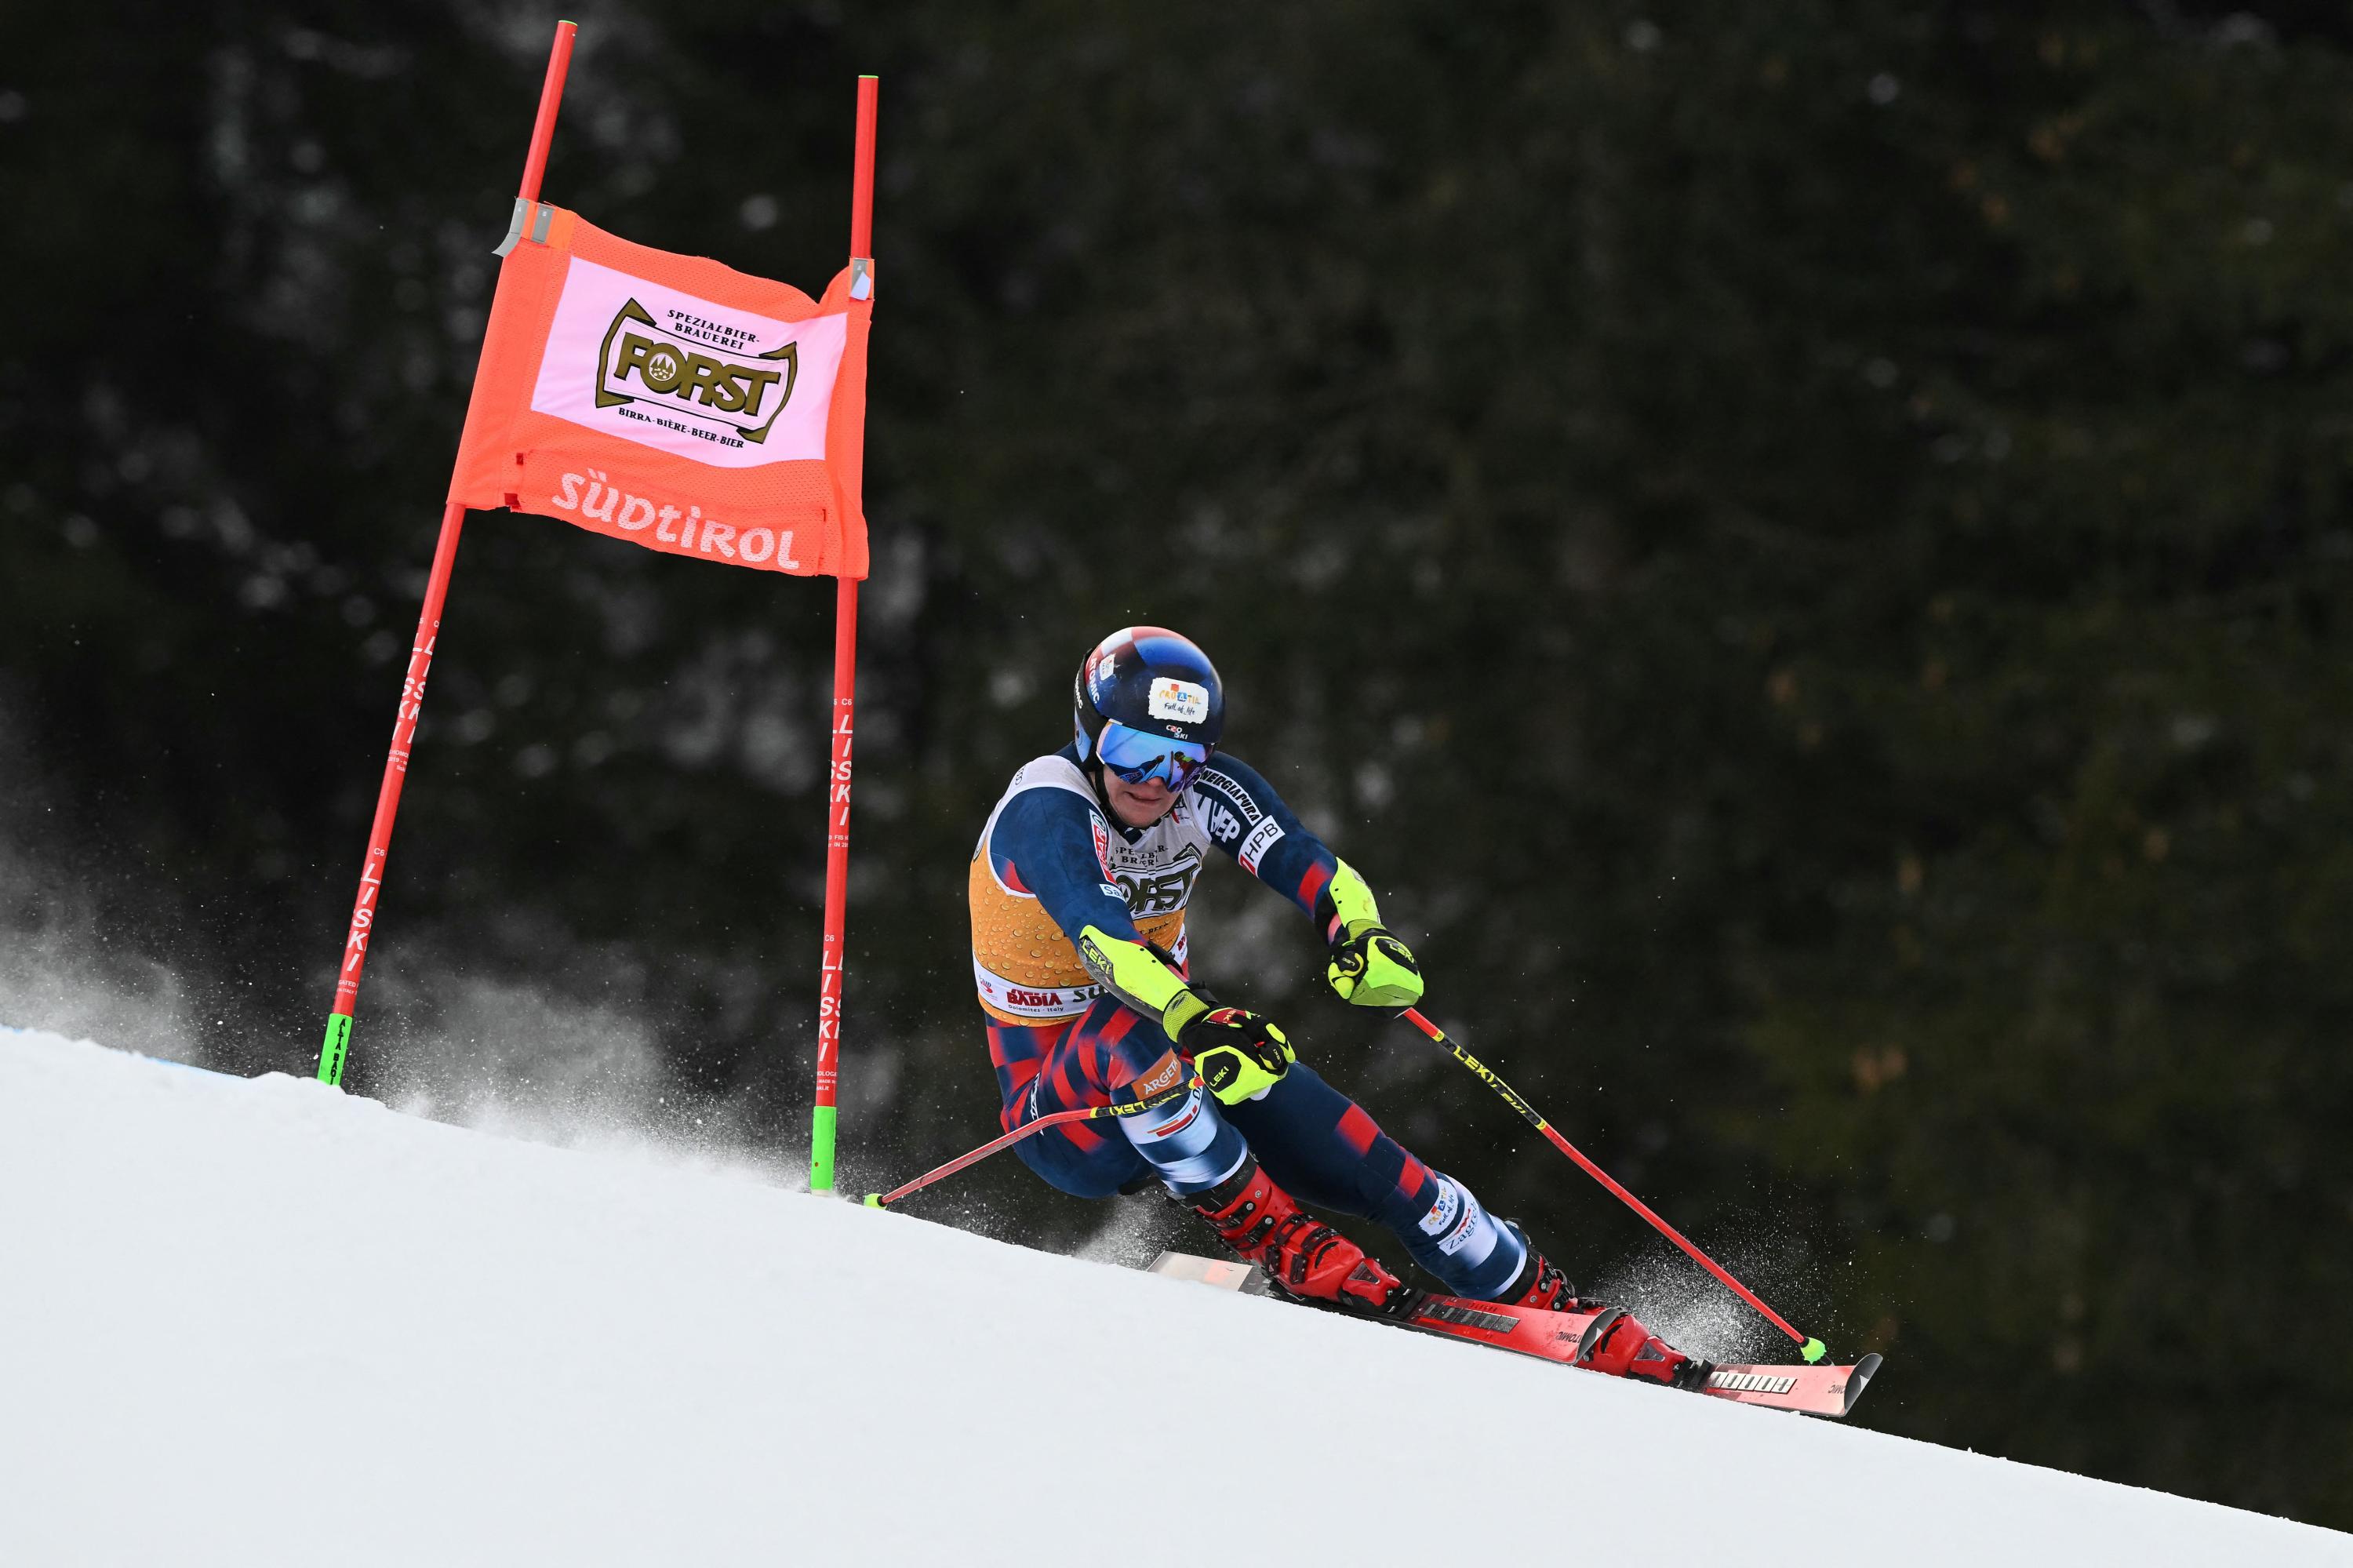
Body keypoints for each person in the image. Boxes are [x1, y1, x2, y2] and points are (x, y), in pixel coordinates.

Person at [967, 625, 1700, 1384]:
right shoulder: (1047, 808)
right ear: (1090, 734)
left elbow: (1309, 861)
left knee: (1386, 1172)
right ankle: (1289, 1245)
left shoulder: (1205, 791)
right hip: (1061, 1108)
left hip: (1183, 1044)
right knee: (1126, 1032)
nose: (1156, 779)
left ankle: (1553, 1305)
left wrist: (1360, 931)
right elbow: (1104, 942)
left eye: (1182, 758)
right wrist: (1195, 1015)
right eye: (1134, 752)